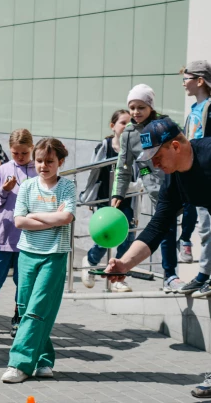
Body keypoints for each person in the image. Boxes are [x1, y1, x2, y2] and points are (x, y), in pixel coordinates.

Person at [104, 117, 211, 398]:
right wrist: (124, 263)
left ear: (175, 145)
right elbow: (157, 226)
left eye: (157, 157)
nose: (155, 164)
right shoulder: (175, 181)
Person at [1, 137, 76, 384]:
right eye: (40, 160)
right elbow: (20, 221)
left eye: (50, 161)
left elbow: (66, 217)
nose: (44, 165)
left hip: (53, 255)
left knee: (37, 309)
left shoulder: (67, 186)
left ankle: (19, 363)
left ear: (61, 162)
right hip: (27, 254)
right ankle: (44, 358)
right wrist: (50, 216)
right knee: (25, 308)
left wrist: (37, 216)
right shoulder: (27, 186)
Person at [110, 84, 185, 293]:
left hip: (177, 182)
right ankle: (170, 275)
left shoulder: (166, 125)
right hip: (156, 191)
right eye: (132, 107)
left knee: (187, 221)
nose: (136, 112)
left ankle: (186, 248)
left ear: (150, 107)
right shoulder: (128, 134)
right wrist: (119, 192)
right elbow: (124, 167)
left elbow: (184, 148)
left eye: (141, 107)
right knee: (166, 229)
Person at [0, 129, 36, 338]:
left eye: (24, 154)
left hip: (27, 239)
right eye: (15, 153)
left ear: (32, 149)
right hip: (3, 235)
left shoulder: (37, 171)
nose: (19, 158)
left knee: (23, 280)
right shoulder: (3, 170)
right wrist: (4, 189)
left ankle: (18, 317)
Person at [178, 60, 211, 297]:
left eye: (186, 79)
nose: (183, 84)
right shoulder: (193, 111)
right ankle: (203, 274)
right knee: (205, 230)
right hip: (199, 179)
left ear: (200, 81)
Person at [80, 110, 136, 293]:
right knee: (105, 238)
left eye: (130, 123)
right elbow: (93, 171)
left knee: (127, 238)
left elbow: (144, 169)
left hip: (127, 201)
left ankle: (119, 277)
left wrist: (141, 182)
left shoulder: (135, 147)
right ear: (113, 126)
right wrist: (90, 197)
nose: (127, 127)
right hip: (105, 199)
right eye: (123, 123)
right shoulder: (105, 146)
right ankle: (90, 261)